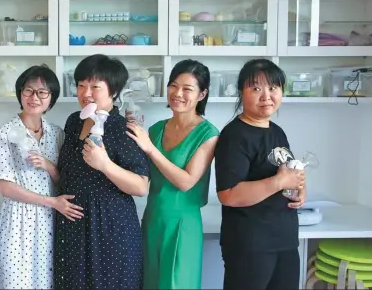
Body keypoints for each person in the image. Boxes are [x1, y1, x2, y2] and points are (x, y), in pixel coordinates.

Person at [54, 54, 150, 290]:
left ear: (113, 91)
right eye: (81, 85)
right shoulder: (74, 121)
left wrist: (105, 164)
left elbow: (141, 186)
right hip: (73, 227)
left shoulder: (121, 128)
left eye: (95, 86)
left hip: (109, 227)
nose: (86, 93)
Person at [214, 59, 306, 290]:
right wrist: (278, 182)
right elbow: (228, 194)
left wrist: (299, 188)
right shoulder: (234, 135)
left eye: (273, 88)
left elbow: (285, 173)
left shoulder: (277, 132)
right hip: (250, 244)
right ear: (241, 93)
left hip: (284, 239)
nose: (266, 96)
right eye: (256, 88)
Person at [127, 59, 219, 289]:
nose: (178, 93)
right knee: (149, 282)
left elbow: (186, 182)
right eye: (173, 85)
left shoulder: (208, 133)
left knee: (176, 284)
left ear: (202, 94)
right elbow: (142, 176)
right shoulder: (157, 128)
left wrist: (149, 148)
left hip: (183, 224)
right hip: (152, 219)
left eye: (187, 89)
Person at [0, 65, 81, 289]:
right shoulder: (5, 133)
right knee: (15, 282)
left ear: (51, 98)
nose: (34, 97)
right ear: (20, 93)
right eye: (28, 90)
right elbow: (6, 188)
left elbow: (63, 179)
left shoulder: (57, 133)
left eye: (42, 92)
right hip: (17, 221)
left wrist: (49, 165)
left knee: (46, 282)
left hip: (51, 222)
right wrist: (51, 202)